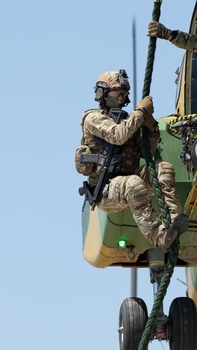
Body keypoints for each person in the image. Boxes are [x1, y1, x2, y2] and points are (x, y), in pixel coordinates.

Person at [78, 69, 189, 250]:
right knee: (134, 183)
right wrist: (139, 113)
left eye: (124, 92)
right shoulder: (93, 118)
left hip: (128, 179)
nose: (122, 96)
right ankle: (159, 237)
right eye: (117, 91)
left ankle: (174, 219)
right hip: (106, 190)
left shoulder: (128, 120)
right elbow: (117, 136)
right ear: (104, 93)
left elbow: (147, 152)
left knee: (164, 169)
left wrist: (151, 127)